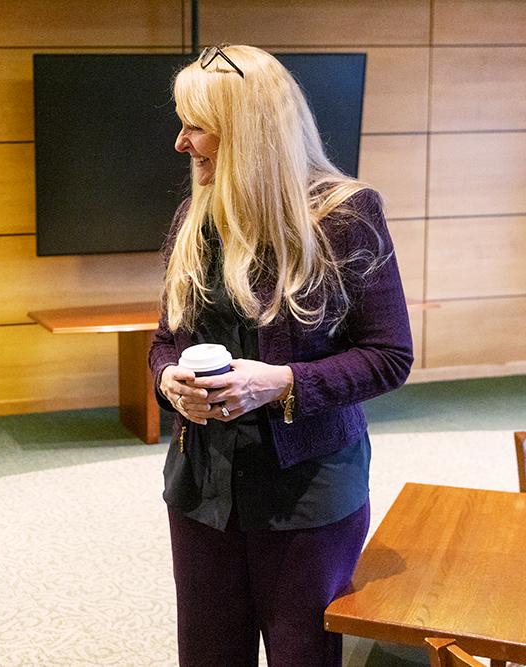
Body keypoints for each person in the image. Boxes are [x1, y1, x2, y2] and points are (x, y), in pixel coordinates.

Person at [149, 45, 413, 667]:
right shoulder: (195, 216)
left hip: (309, 497)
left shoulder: (346, 217)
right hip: (201, 494)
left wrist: (284, 383)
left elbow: (389, 355)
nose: (181, 143)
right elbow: (166, 339)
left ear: (247, 133)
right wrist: (170, 381)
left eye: (196, 126)